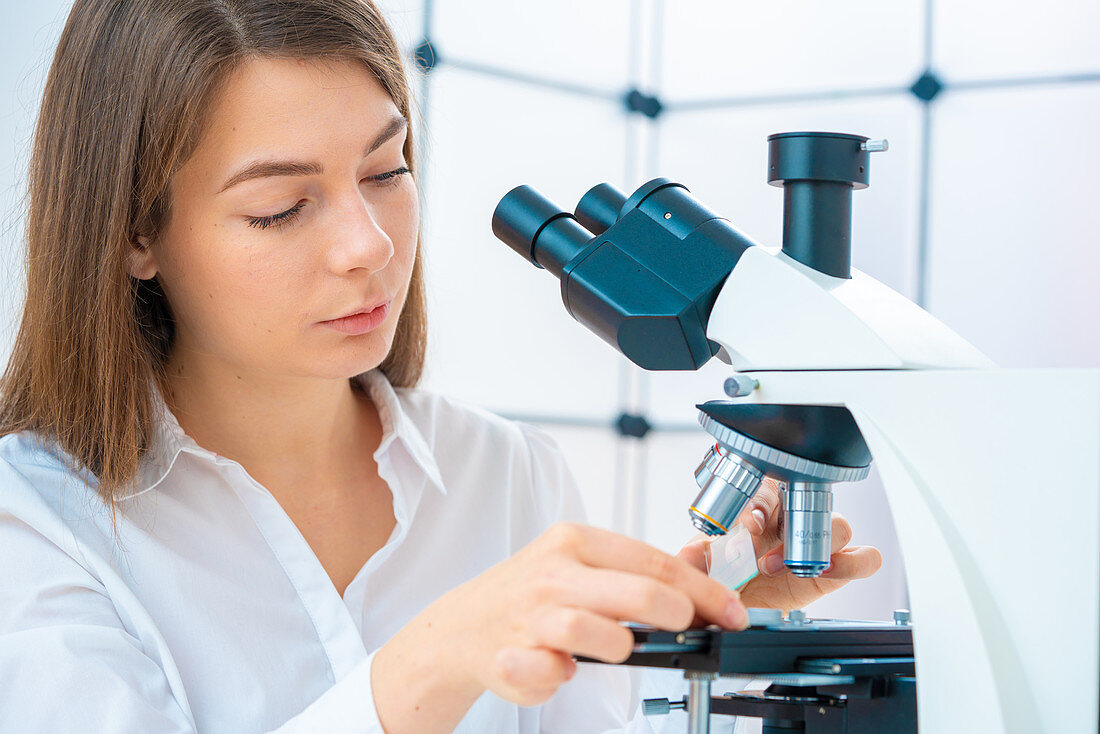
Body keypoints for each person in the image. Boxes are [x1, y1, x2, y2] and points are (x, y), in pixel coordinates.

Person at [0, 1, 882, 732]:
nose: (369, 244)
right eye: (279, 208)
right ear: (133, 234)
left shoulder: (506, 474)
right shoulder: (34, 523)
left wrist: (695, 606)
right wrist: (434, 660)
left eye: (387, 170)